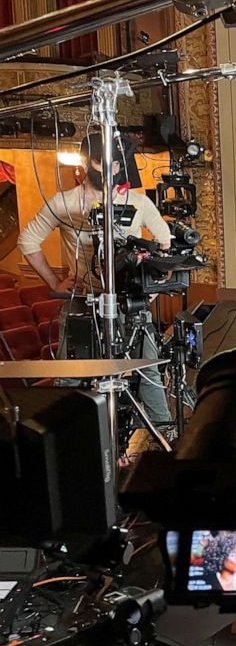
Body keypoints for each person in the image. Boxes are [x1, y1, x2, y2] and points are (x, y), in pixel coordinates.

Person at [17, 132, 173, 426]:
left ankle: (163, 433)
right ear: (88, 161)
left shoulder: (137, 202)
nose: (110, 169)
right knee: (71, 374)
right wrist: (53, 283)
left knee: (147, 368)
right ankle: (68, 438)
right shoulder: (64, 203)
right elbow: (27, 241)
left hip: (129, 302)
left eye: (115, 164)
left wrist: (149, 291)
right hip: (83, 300)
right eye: (103, 162)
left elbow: (165, 244)